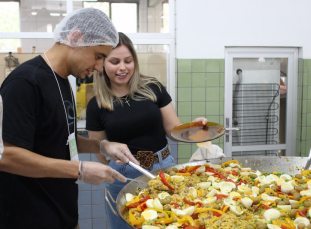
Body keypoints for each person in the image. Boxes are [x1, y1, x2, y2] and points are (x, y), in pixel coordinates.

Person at [0, 8, 139, 229]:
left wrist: (102, 146)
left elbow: (62, 138)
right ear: (75, 38)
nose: (99, 67)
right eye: (98, 56)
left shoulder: (63, 80)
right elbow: (9, 157)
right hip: (28, 216)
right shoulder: (26, 82)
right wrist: (80, 170)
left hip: (61, 212)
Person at [86, 32, 207, 229]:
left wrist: (194, 127)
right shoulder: (96, 105)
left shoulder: (152, 88)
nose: (123, 67)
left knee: (170, 222)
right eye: (114, 61)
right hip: (124, 175)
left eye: (128, 60)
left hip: (163, 167)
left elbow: (174, 130)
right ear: (102, 64)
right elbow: (101, 153)